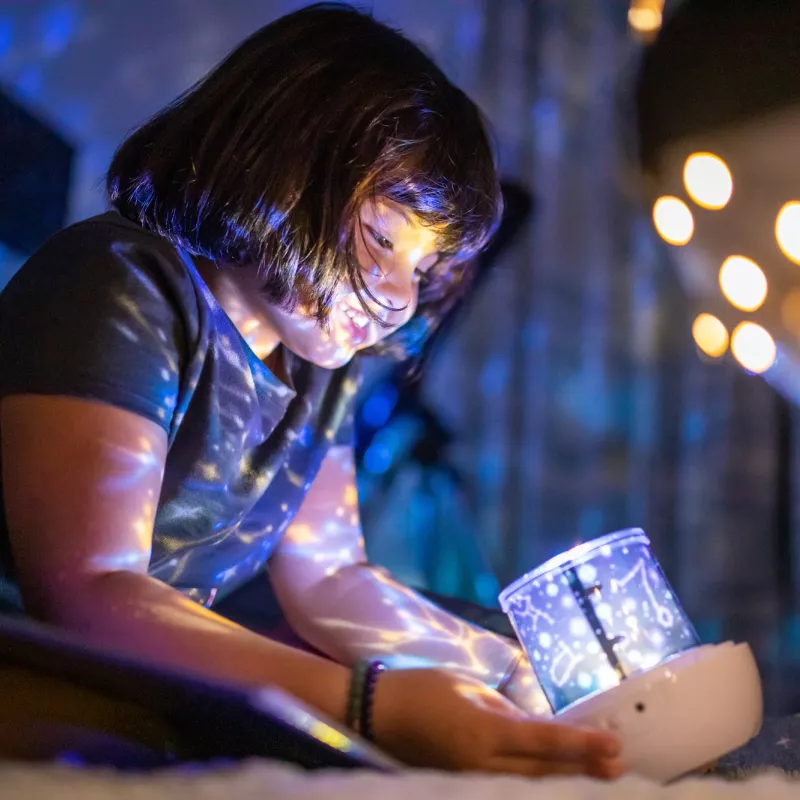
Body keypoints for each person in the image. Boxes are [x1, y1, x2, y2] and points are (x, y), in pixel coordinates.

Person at [0, 3, 622, 779]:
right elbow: (89, 591)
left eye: (424, 271)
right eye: (385, 240)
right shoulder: (124, 286)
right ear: (282, 166)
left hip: (130, 705)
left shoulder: (323, 372)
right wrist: (372, 705)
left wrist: (506, 669)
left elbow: (330, 578)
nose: (400, 295)